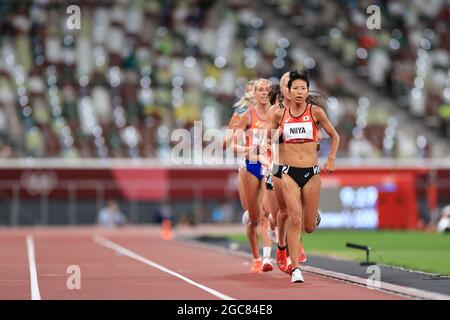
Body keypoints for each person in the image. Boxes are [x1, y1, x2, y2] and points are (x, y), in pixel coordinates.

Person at [279, 69, 340, 283]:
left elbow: (335, 136)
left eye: (302, 88)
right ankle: (295, 268)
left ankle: (313, 216)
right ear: (288, 91)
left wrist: (331, 158)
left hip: (312, 174)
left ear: (307, 91)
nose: (298, 92)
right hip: (289, 173)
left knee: (309, 227)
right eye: (295, 88)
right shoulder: (280, 114)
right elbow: (266, 137)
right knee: (294, 218)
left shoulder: (316, 112)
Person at [232, 78, 275, 273]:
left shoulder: (277, 113)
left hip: (268, 165)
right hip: (250, 166)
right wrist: (248, 150)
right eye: (260, 90)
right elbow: (234, 145)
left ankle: (267, 258)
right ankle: (256, 257)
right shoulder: (245, 116)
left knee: (266, 214)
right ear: (254, 94)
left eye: (267, 90)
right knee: (253, 218)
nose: (264, 93)